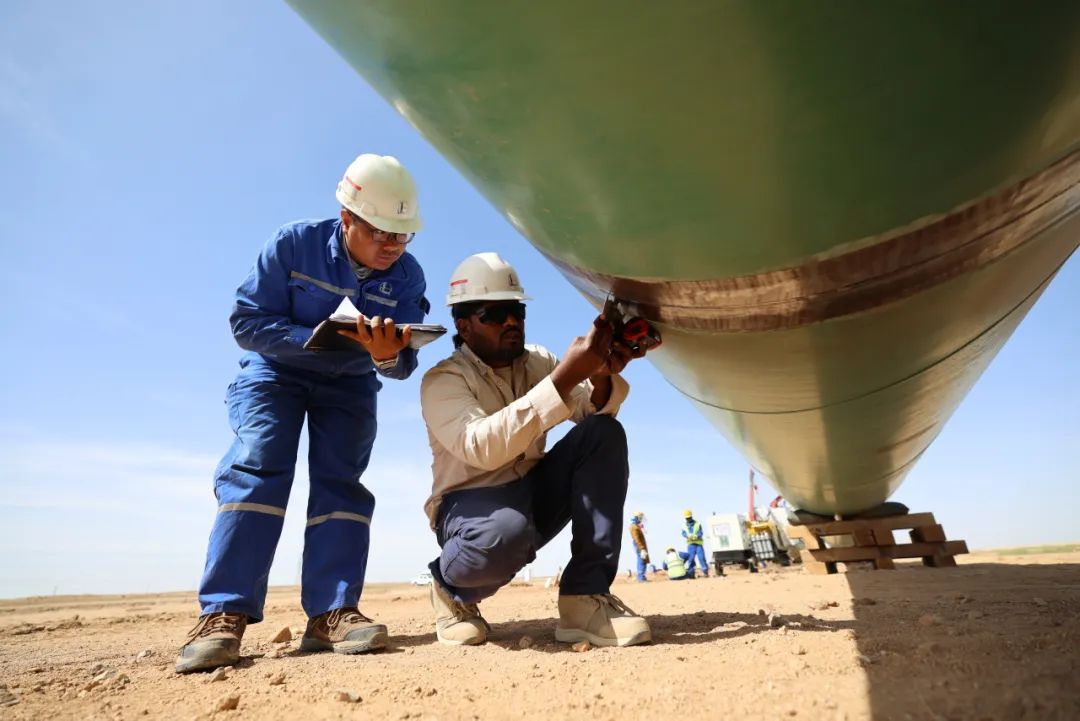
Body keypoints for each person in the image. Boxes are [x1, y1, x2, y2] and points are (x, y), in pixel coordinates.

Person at [175, 155, 429, 674]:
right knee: (258, 467)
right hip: (275, 374)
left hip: (350, 384)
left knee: (342, 482)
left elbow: (402, 365)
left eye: (402, 236)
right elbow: (247, 322)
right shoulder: (293, 244)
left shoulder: (408, 276)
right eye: (381, 232)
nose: (392, 246)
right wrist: (314, 339)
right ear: (347, 219)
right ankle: (223, 613)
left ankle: (331, 613)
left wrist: (386, 355)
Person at [419, 252, 655, 648]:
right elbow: (482, 448)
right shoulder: (443, 381)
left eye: (516, 311)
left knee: (602, 433)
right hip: (471, 509)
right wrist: (564, 379)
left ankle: (585, 598)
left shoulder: (538, 362)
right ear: (463, 325)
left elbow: (591, 410)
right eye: (495, 314)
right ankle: (448, 588)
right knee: (503, 532)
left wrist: (600, 375)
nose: (511, 322)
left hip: (530, 493)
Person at [682, 509, 709, 577]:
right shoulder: (684, 525)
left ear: (691, 516)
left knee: (701, 558)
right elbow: (683, 533)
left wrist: (697, 536)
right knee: (691, 559)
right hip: (690, 545)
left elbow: (701, 533)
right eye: (687, 518)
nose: (688, 519)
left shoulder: (697, 524)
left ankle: (705, 573)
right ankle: (691, 574)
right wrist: (687, 536)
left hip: (698, 544)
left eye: (689, 517)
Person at [628, 512, 649, 582]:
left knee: (643, 560)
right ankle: (641, 577)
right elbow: (636, 539)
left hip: (639, 545)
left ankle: (641, 576)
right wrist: (642, 548)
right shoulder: (633, 527)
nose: (642, 519)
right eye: (641, 518)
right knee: (641, 560)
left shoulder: (636, 526)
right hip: (639, 545)